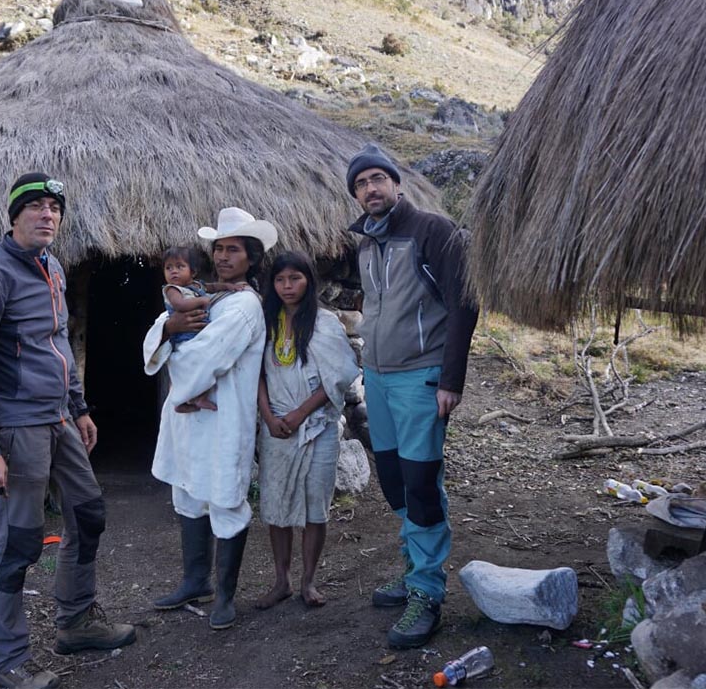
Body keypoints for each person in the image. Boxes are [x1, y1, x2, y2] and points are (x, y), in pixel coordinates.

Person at [0, 173, 135, 689]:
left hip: (58, 420)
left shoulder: (52, 267)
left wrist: (78, 406)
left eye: (54, 206)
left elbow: (57, 341)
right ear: (12, 217)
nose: (46, 214)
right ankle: (8, 662)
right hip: (16, 426)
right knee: (20, 541)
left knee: (88, 512)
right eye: (34, 206)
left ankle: (76, 623)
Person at [345, 144, 479, 649]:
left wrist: (452, 380)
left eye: (378, 178)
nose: (371, 188)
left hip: (421, 378)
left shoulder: (433, 232)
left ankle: (427, 591)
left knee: (421, 482)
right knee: (395, 480)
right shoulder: (365, 243)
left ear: (396, 184)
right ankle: (413, 568)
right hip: (377, 378)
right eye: (361, 183)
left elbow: (465, 304)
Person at [143, 207, 278, 630]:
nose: (223, 256)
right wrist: (168, 329)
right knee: (188, 493)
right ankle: (194, 579)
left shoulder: (243, 306)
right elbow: (155, 329)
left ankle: (224, 595)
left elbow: (207, 357)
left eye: (233, 249)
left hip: (223, 419)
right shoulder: (203, 292)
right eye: (218, 248)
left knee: (225, 499)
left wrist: (173, 343)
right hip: (188, 420)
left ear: (251, 258)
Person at [253, 251, 359, 609]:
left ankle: (308, 581)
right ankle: (281, 580)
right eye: (280, 280)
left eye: (294, 279)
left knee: (316, 506)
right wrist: (268, 416)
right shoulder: (265, 322)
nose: (287, 286)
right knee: (276, 502)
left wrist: (300, 413)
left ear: (309, 281)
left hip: (316, 426)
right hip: (276, 427)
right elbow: (256, 374)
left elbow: (342, 373)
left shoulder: (325, 323)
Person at [160, 245, 247, 412]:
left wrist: (229, 287)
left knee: (204, 367)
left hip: (197, 333)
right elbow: (180, 304)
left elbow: (213, 287)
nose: (173, 272)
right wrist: (201, 301)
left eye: (180, 267)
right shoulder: (172, 289)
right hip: (183, 337)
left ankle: (197, 397)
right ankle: (180, 400)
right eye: (168, 268)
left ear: (192, 272)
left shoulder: (197, 286)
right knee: (186, 367)